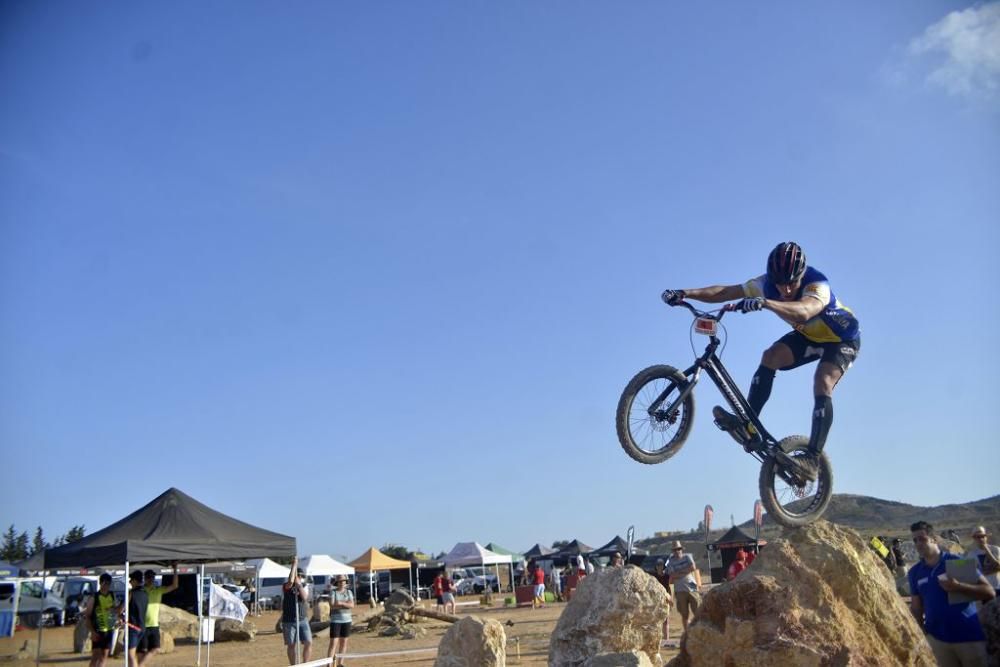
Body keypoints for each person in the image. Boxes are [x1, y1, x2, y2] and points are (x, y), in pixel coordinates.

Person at [662, 241, 860, 481]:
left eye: (792, 284)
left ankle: (812, 459)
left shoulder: (818, 284)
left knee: (823, 381)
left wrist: (765, 303)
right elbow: (725, 292)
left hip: (841, 340)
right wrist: (685, 293)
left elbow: (804, 312)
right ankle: (748, 423)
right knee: (770, 357)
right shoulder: (764, 284)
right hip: (809, 337)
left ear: (801, 275)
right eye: (780, 284)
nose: (786, 290)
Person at [908, 520, 994, 666]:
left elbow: (989, 592)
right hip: (937, 640)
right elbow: (916, 607)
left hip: (968, 637)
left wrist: (959, 586)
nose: (918, 543)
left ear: (934, 539)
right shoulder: (914, 572)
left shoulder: (957, 561)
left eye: (922, 539)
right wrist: (921, 633)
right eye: (915, 540)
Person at [138, 565, 180, 666]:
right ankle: (140, 665)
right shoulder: (141, 591)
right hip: (142, 625)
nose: (151, 579)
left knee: (155, 648)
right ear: (145, 578)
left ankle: (140, 665)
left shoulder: (158, 590)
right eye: (148, 577)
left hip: (154, 625)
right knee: (141, 652)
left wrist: (175, 570)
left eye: (152, 577)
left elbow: (174, 586)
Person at [84, 572, 118, 667]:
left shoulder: (112, 595)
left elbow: (117, 610)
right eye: (105, 583)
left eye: (109, 583)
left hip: (109, 629)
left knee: (104, 655)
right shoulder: (94, 597)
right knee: (95, 656)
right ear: (100, 583)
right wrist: (92, 632)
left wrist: (115, 611)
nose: (107, 585)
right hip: (97, 630)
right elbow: (87, 616)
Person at [282, 557, 312, 665]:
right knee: (291, 644)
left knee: (308, 641)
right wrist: (294, 565)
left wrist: (299, 585)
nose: (298, 577)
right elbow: (290, 582)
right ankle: (294, 665)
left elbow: (304, 597)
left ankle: (306, 664)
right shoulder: (286, 586)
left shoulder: (304, 586)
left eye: (299, 575)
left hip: (302, 619)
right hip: (289, 620)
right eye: (296, 575)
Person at [666, 541, 701, 633]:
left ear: (681, 549)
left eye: (679, 549)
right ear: (673, 551)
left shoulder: (687, 556)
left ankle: (700, 631)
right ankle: (687, 633)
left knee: (698, 611)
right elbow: (672, 575)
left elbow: (693, 567)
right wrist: (685, 571)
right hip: (679, 589)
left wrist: (679, 573)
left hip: (692, 586)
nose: (677, 551)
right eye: (675, 550)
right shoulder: (670, 561)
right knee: (684, 614)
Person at [326, 575, 354, 667]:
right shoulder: (333, 592)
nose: (342, 583)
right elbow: (332, 605)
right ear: (337, 583)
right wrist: (346, 604)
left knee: (344, 642)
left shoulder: (349, 592)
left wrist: (341, 603)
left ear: (346, 582)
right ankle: (329, 664)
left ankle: (340, 663)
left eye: (343, 581)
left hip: (347, 620)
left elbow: (352, 605)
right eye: (340, 581)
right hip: (336, 620)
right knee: (333, 642)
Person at [966, 526, 1000, 597]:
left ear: (986, 537)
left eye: (982, 536)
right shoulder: (971, 555)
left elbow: (997, 566)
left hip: (998, 587)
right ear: (974, 539)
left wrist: (986, 549)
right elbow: (973, 575)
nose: (981, 539)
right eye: (978, 537)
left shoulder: (996, 549)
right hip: (985, 590)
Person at [125, 570, 148, 667]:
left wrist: (113, 610)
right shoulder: (145, 593)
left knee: (130, 654)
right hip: (142, 627)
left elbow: (122, 608)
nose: (129, 582)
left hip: (133, 627)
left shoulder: (131, 593)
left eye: (131, 580)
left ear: (135, 580)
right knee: (136, 653)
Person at [652, 558, 673, 641]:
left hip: (665, 599)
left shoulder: (667, 576)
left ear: (663, 566)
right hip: (656, 600)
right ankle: (657, 639)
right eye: (658, 565)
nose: (659, 566)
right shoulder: (653, 577)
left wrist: (670, 599)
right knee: (656, 620)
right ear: (656, 566)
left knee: (666, 620)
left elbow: (670, 588)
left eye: (661, 565)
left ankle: (666, 639)